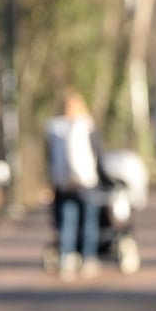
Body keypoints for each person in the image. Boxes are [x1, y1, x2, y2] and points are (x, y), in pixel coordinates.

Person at [45, 90, 104, 281]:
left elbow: (49, 159)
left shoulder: (54, 129)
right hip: (87, 182)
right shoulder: (88, 126)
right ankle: (88, 259)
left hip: (63, 183)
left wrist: (50, 181)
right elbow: (99, 154)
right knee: (89, 223)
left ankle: (67, 259)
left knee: (67, 224)